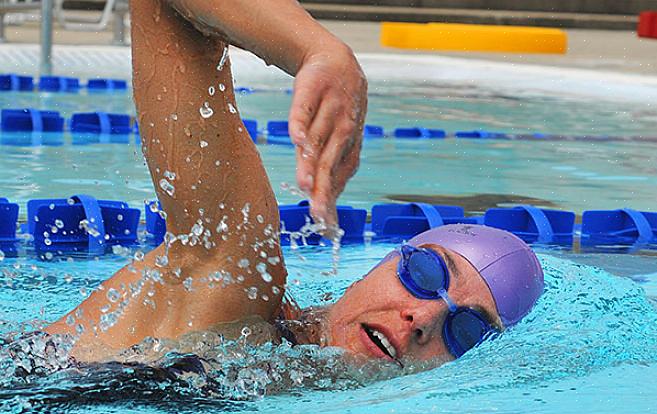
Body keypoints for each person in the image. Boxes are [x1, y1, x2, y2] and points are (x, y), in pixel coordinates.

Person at [45, 0, 544, 369]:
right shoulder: (236, 282)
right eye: (428, 275)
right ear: (383, 263)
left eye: (466, 329)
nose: (422, 319)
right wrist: (317, 50)